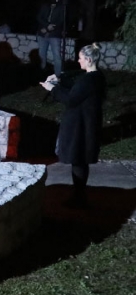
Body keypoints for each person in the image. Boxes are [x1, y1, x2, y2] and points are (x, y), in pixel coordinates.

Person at [40, 43, 105, 208]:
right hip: (85, 124)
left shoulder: (89, 80)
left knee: (78, 160)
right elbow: (76, 89)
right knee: (80, 160)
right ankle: (79, 195)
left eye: (81, 58)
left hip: (81, 126)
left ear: (89, 59)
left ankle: (79, 198)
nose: (78, 61)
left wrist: (51, 89)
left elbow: (70, 99)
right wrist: (60, 79)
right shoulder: (96, 77)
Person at [36, 0, 66, 76]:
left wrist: (49, 28)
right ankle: (41, 74)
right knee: (41, 55)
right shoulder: (45, 6)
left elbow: (61, 20)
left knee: (56, 56)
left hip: (55, 35)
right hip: (42, 34)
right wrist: (46, 27)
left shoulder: (61, 8)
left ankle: (58, 75)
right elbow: (39, 17)